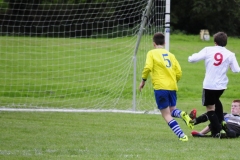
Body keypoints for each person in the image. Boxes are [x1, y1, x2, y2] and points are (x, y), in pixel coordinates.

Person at [139, 32, 193, 142]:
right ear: (164, 43)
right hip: (172, 87)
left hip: (160, 87)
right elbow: (179, 72)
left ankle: (182, 135)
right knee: (172, 110)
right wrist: (174, 81)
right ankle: (182, 114)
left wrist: (143, 80)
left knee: (166, 114)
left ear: (154, 44)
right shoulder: (171, 55)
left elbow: (147, 67)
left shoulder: (151, 53)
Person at [188, 32, 240, 137]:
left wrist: (190, 57)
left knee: (210, 109)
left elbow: (193, 59)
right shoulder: (230, 54)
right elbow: (236, 70)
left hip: (209, 85)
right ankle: (222, 121)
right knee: (216, 102)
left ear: (215, 42)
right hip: (221, 86)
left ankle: (218, 130)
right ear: (225, 43)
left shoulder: (208, 49)